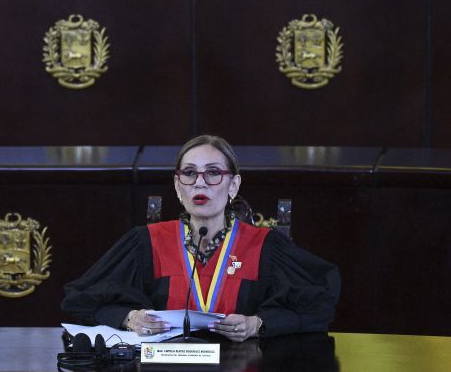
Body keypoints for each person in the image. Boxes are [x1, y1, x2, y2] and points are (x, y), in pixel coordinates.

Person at [62, 135, 340, 341]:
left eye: (213, 173)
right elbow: (80, 298)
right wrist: (129, 318)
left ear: (234, 185)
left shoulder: (264, 246)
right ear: (177, 186)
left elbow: (321, 303)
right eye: (190, 173)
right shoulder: (146, 242)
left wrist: (258, 324)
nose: (200, 182)